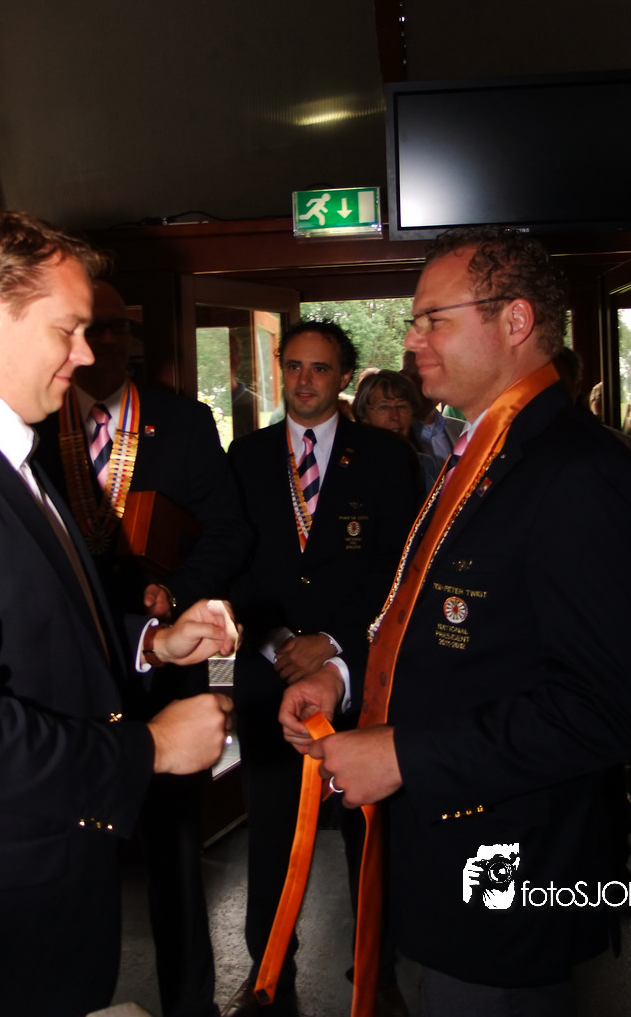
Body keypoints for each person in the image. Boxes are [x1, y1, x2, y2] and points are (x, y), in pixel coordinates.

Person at [280, 228, 631, 1017]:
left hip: (509, 866)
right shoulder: (481, 447)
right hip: (444, 850)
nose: (412, 341)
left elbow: (605, 709)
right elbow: (437, 618)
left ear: (514, 321)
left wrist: (403, 754)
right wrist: (344, 676)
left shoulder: (576, 468)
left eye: (433, 320)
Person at [0, 210, 235, 1017]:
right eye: (67, 329)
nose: (87, 352)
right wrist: (148, 747)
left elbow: (32, 621)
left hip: (33, 888)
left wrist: (150, 644)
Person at [36, 279, 249, 1017]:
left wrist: (178, 589)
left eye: (119, 328)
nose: (107, 342)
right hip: (72, 669)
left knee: (174, 850)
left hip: (167, 667)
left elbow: (230, 531)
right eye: (93, 328)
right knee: (72, 848)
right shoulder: (39, 419)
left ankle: (190, 1003)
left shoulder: (181, 421)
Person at [225, 319, 419, 1017]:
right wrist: (283, 642)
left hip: (359, 670)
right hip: (270, 672)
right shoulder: (245, 455)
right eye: (294, 366)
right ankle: (267, 971)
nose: (304, 380)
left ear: (343, 378)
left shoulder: (385, 457)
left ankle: (378, 973)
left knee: (369, 831)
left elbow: (398, 567)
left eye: (319, 368)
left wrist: (333, 642)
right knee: (273, 829)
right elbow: (232, 561)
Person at [353, 367, 437, 493]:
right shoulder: (349, 465)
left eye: (402, 406)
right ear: (363, 416)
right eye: (384, 407)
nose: (395, 416)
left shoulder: (425, 466)